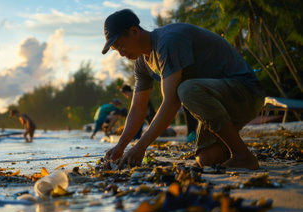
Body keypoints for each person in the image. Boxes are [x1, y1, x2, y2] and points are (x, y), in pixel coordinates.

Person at [102, 9, 264, 170]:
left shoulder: (168, 41)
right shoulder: (141, 64)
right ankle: (233, 152)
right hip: (219, 103)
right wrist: (121, 146)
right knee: (207, 159)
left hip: (246, 92)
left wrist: (141, 147)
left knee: (186, 90)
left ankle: (242, 155)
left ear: (134, 31)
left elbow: (171, 102)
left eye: (121, 46)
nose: (122, 54)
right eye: (117, 51)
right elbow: (138, 108)